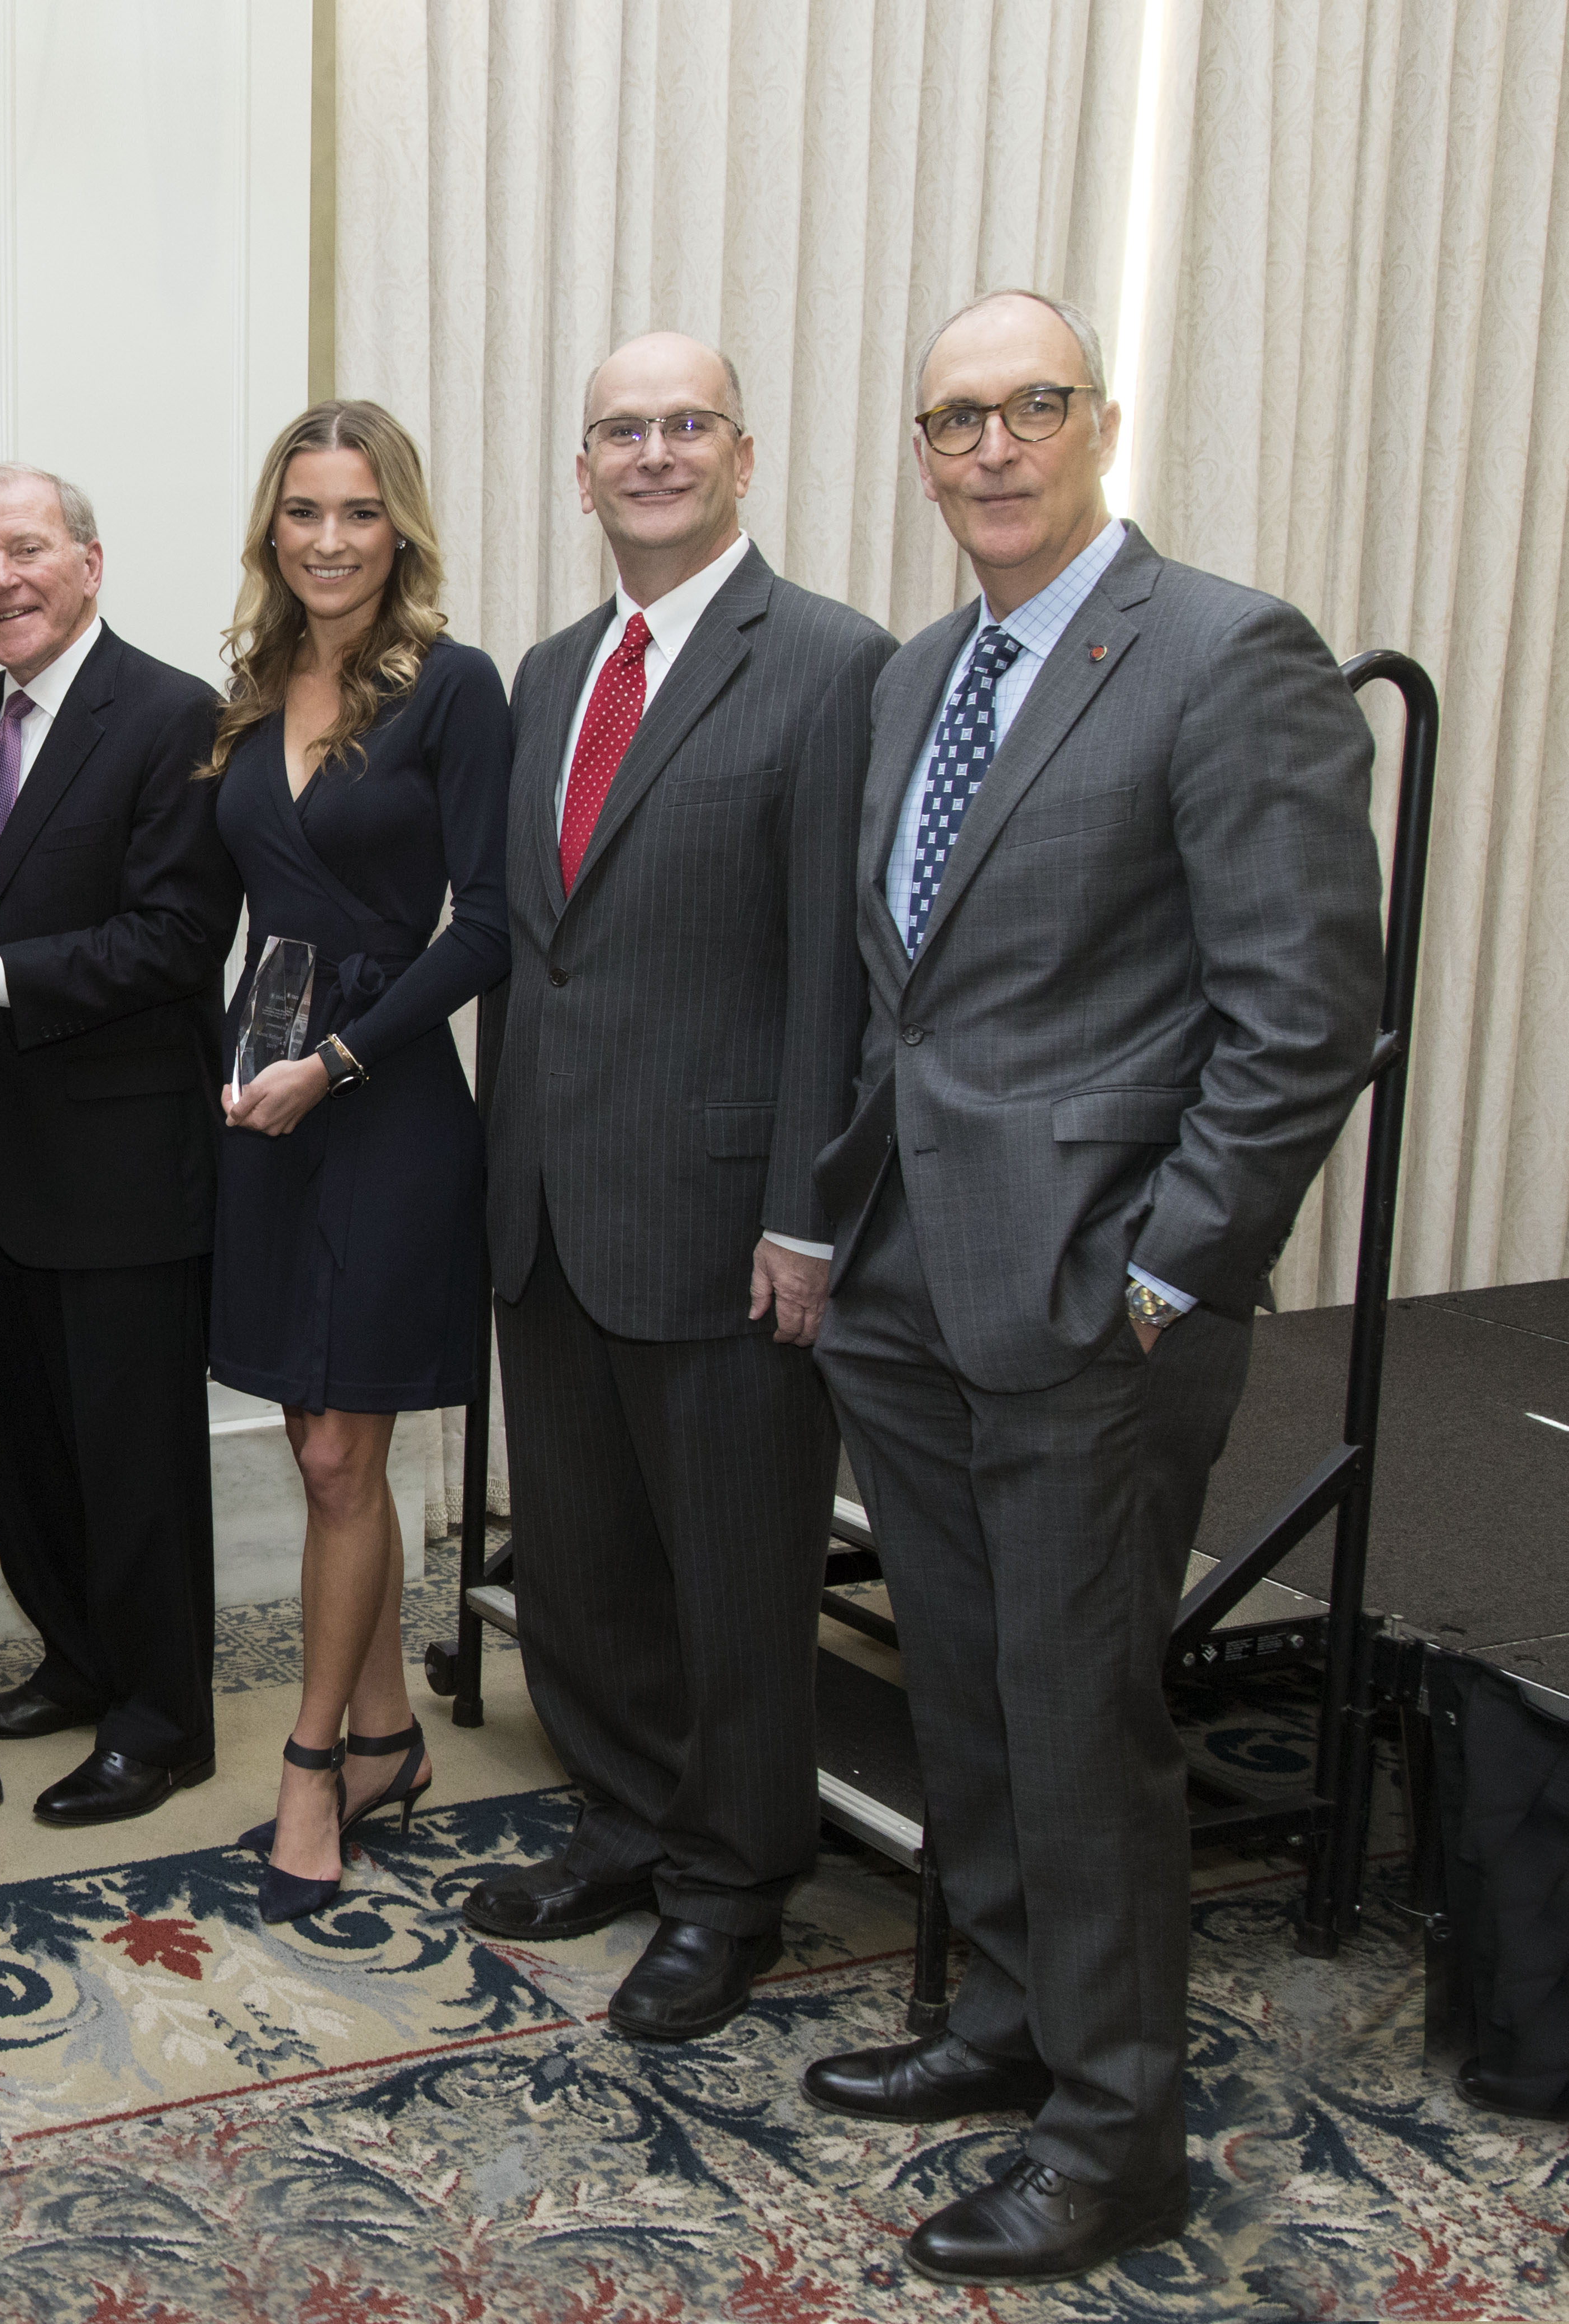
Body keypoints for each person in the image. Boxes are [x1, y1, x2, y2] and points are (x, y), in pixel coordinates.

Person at [805, 289, 1379, 2286]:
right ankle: (1009, 2022)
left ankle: (1119, 2128)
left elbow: (1304, 1016)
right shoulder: (915, 679)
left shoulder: (1226, 654)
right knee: (962, 1693)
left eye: (1027, 405)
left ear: (1101, 420)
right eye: (951, 415)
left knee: (1078, 1716)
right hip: (909, 1285)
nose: (989, 446)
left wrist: (1167, 1271)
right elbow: (910, 997)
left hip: (1090, 1306)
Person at [467, 334, 893, 2039]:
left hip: (725, 1224)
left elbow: (833, 980)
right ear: (580, 472)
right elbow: (533, 952)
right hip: (551, 1212)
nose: (651, 454)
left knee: (733, 1584)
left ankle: (732, 1891)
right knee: (580, 1572)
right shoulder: (554, 668)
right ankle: (629, 1826)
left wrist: (806, 1212)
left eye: (683, 426)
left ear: (740, 453)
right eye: (618, 431)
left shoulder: (833, 665)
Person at [205, 401, 508, 1924]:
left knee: (339, 1456)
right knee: (316, 1434)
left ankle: (312, 1764)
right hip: (267, 1103)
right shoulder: (252, 691)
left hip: (381, 1102)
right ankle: (389, 1732)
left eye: (358, 512)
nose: (328, 539)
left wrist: (338, 1061)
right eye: (303, 511)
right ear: (273, 529)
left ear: (400, 529)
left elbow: (490, 923)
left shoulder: (452, 690)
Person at [0, 463, 236, 1825]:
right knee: (30, 1442)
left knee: (134, 1457)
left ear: (91, 562)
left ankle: (163, 1719)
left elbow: (174, 941)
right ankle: (78, 1659)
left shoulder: (175, 718)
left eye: (27, 549)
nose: (2, 580)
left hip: (121, 1170)